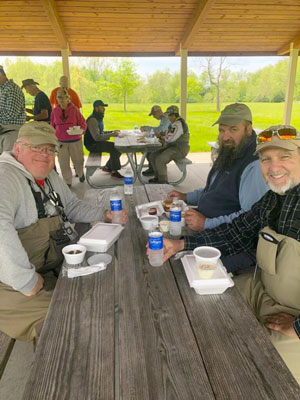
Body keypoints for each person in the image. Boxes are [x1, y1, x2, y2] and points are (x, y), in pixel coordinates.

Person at [160, 125, 300, 384]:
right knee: (205, 308)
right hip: (261, 288)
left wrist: (298, 328)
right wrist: (183, 245)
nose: (273, 166)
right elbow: (236, 233)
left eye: (285, 157)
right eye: (266, 159)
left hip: (294, 314)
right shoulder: (273, 198)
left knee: (264, 372)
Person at [0, 121, 127, 342]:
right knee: (69, 317)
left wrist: (103, 214)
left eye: (49, 149)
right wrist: (26, 280)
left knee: (105, 291)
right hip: (9, 282)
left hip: (48, 266)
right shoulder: (5, 175)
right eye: (36, 147)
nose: (44, 154)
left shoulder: (48, 175)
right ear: (17, 148)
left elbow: (71, 206)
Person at [168, 103, 268, 272]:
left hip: (227, 240)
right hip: (203, 225)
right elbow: (213, 191)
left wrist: (206, 223)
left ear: (249, 129)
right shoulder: (230, 152)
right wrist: (186, 196)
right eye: (222, 130)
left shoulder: (253, 165)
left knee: (176, 269)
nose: (225, 136)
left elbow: (249, 218)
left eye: (233, 129)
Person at [50, 88, 86, 187]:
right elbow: (52, 126)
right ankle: (68, 182)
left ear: (67, 98)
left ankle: (80, 173)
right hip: (61, 142)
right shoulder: (55, 111)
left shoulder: (74, 110)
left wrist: (82, 130)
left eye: (63, 97)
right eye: (58, 97)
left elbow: (83, 123)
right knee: (63, 163)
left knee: (78, 160)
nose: (61, 99)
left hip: (75, 141)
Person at [148, 105, 190, 184]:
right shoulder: (174, 123)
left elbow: (170, 139)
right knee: (153, 156)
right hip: (173, 147)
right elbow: (169, 135)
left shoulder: (178, 124)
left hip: (179, 149)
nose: (168, 118)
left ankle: (163, 181)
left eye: (169, 116)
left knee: (160, 159)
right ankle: (157, 176)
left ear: (174, 115)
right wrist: (163, 135)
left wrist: (160, 136)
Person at [84, 100, 123, 179]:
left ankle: (108, 167)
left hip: (96, 142)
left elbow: (100, 132)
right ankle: (114, 171)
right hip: (92, 144)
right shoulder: (92, 120)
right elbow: (97, 137)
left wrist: (112, 132)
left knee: (116, 148)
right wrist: (111, 134)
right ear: (96, 108)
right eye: (102, 107)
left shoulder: (98, 118)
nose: (104, 109)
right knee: (115, 148)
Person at [0, 65, 26, 153]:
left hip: (11, 132)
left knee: (8, 162)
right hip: (4, 131)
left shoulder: (11, 89)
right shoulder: (3, 89)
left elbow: (11, 114)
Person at [140, 105, 171, 176]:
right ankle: (152, 167)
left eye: (154, 115)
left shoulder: (166, 119)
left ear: (158, 112)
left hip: (168, 142)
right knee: (147, 148)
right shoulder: (164, 118)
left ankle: (153, 169)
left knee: (149, 149)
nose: (154, 117)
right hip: (165, 139)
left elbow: (160, 130)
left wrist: (147, 128)